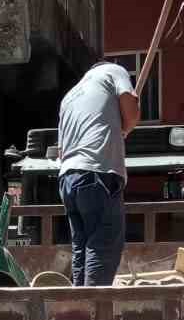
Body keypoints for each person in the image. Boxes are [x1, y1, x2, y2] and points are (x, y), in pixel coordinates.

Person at [57, 60, 140, 286]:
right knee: (103, 245)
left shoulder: (70, 96)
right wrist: (125, 127)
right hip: (96, 174)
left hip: (68, 178)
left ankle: (79, 306)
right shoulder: (114, 71)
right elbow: (131, 116)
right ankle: (92, 309)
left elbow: (62, 149)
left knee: (82, 247)